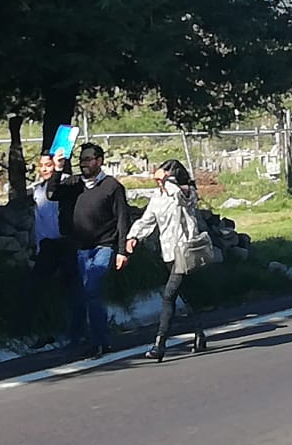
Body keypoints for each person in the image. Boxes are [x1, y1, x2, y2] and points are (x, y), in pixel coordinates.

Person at [47, 142, 130, 359]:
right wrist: (57, 168)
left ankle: (99, 341)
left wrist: (122, 251)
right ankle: (91, 338)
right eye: (81, 160)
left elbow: (122, 219)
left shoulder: (112, 186)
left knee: (91, 290)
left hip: (104, 246)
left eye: (88, 159)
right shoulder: (74, 184)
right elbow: (51, 194)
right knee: (86, 294)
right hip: (81, 248)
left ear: (100, 161)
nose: (84, 164)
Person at [124, 159, 209, 362]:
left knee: (168, 295)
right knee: (185, 295)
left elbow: (185, 197)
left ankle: (159, 344)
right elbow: (148, 219)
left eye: (163, 175)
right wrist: (133, 236)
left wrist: (168, 182)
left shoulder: (184, 192)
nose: (158, 180)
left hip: (186, 252)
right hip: (169, 254)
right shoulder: (158, 197)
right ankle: (200, 334)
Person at [19, 152, 84, 350]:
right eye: (42, 165)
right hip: (47, 245)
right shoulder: (38, 190)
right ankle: (44, 331)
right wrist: (39, 246)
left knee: (73, 289)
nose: (45, 169)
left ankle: (77, 333)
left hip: (67, 243)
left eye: (48, 164)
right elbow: (40, 221)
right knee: (36, 288)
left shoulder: (70, 184)